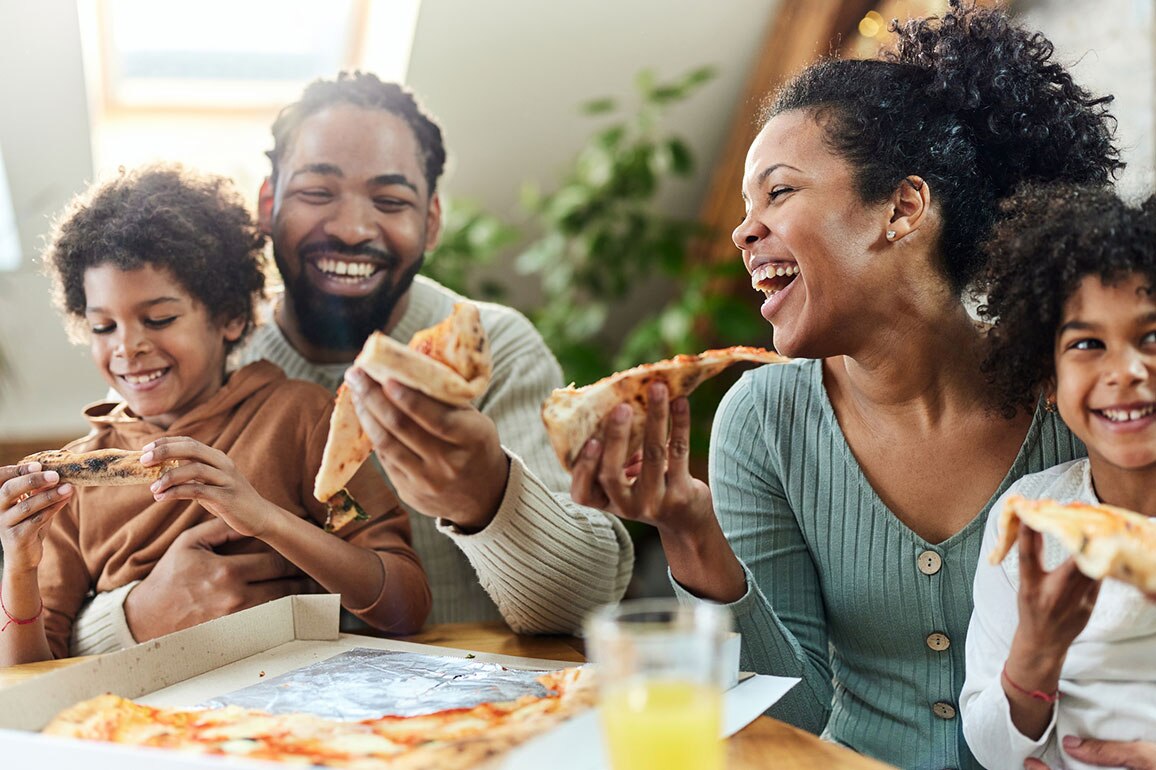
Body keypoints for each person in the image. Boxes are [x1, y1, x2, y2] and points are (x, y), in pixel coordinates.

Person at [567, 4, 1127, 769]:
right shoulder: (763, 422)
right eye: (744, 205)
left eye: (779, 192)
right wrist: (693, 532)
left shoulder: (1084, 399)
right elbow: (791, 707)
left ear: (901, 208)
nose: (743, 231)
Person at [69, 73, 633, 650]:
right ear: (268, 203)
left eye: (390, 201)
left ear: (431, 221)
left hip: (480, 716)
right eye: (317, 193)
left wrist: (488, 498)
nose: (351, 228)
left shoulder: (493, 349)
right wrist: (132, 620)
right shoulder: (203, 351)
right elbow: (78, 591)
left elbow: (586, 606)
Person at [0, 165, 429, 665]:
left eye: (159, 319)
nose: (128, 346)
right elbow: (27, 674)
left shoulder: (301, 417)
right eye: (102, 326)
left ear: (230, 317)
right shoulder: (73, 485)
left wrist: (265, 519)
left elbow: (407, 606)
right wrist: (19, 570)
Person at [959, 185, 1156, 770]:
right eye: (1087, 343)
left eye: (1150, 337)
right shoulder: (1029, 519)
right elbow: (993, 750)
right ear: (1046, 379)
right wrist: (1035, 654)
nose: (1124, 371)